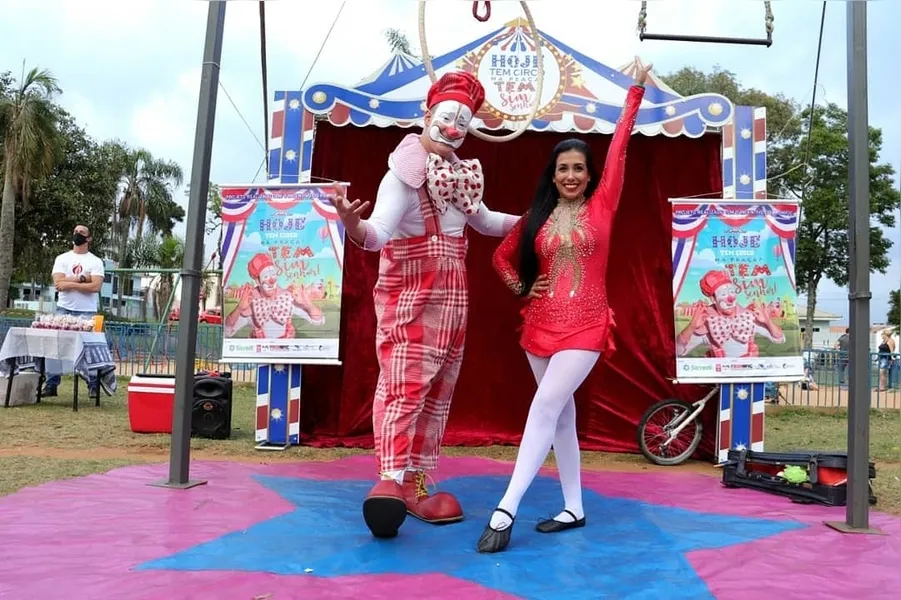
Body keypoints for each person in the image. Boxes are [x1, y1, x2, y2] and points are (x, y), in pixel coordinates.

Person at [332, 70, 520, 539]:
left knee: (436, 394)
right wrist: (352, 226)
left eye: (463, 121)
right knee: (404, 388)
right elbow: (376, 234)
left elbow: (487, 222)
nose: (454, 128)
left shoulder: (460, 178)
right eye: (447, 116)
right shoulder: (403, 175)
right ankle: (390, 479)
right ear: (428, 113)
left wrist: (536, 220)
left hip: (453, 305)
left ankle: (413, 483)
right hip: (411, 301)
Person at [476, 62, 651, 554]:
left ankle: (506, 507)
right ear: (552, 176)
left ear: (590, 175)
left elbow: (619, 147)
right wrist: (521, 287)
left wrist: (634, 93)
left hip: (587, 324)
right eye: (563, 169)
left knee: (545, 406)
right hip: (538, 327)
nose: (571, 175)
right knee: (560, 419)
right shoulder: (538, 216)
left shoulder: (604, 204)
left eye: (579, 168)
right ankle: (573, 506)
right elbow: (500, 257)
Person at [43, 225, 105, 397]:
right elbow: (58, 283)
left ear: (89, 238)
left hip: (87, 312)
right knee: (55, 347)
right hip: (64, 310)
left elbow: (95, 286)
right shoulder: (62, 258)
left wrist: (69, 283)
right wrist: (83, 278)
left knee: (90, 349)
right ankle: (51, 384)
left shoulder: (95, 261)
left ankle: (93, 385)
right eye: (76, 232)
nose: (77, 234)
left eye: (82, 233)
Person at [675, 269, 786, 358]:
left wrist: (768, 321)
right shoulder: (708, 323)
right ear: (713, 299)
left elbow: (779, 338)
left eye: (732, 292)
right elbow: (678, 350)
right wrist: (692, 326)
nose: (730, 298)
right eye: (723, 294)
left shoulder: (748, 317)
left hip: (749, 374)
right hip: (720, 377)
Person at [223, 252, 325, 338]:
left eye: (273, 274)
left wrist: (308, 304)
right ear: (258, 281)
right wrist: (239, 308)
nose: (271, 280)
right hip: (260, 354)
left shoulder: (287, 298)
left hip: (285, 353)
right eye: (266, 276)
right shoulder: (251, 303)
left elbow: (318, 320)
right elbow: (226, 331)